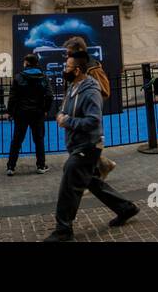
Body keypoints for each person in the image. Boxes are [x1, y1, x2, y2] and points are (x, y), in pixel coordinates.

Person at [44, 49, 139, 242]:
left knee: (69, 183)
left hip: (87, 147)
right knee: (93, 183)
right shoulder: (72, 87)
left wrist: (67, 121)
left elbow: (93, 121)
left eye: (68, 67)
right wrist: (63, 116)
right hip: (76, 145)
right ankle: (126, 208)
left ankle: (63, 229)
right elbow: (67, 111)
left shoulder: (91, 91)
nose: (65, 69)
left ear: (77, 70)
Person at [63, 36, 115, 179]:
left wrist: (87, 103)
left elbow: (105, 91)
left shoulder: (93, 68)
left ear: (79, 51)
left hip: (87, 116)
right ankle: (103, 166)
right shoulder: (75, 67)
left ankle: (91, 179)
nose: (67, 56)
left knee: (85, 148)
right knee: (80, 147)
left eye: (69, 52)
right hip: (77, 116)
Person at [6, 53, 53, 175]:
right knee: (39, 139)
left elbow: (12, 98)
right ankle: (41, 165)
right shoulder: (43, 77)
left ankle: (11, 166)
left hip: (21, 113)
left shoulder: (18, 77)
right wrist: (45, 109)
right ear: (36, 63)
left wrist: (10, 112)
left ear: (26, 63)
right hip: (38, 112)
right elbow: (49, 95)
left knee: (17, 140)